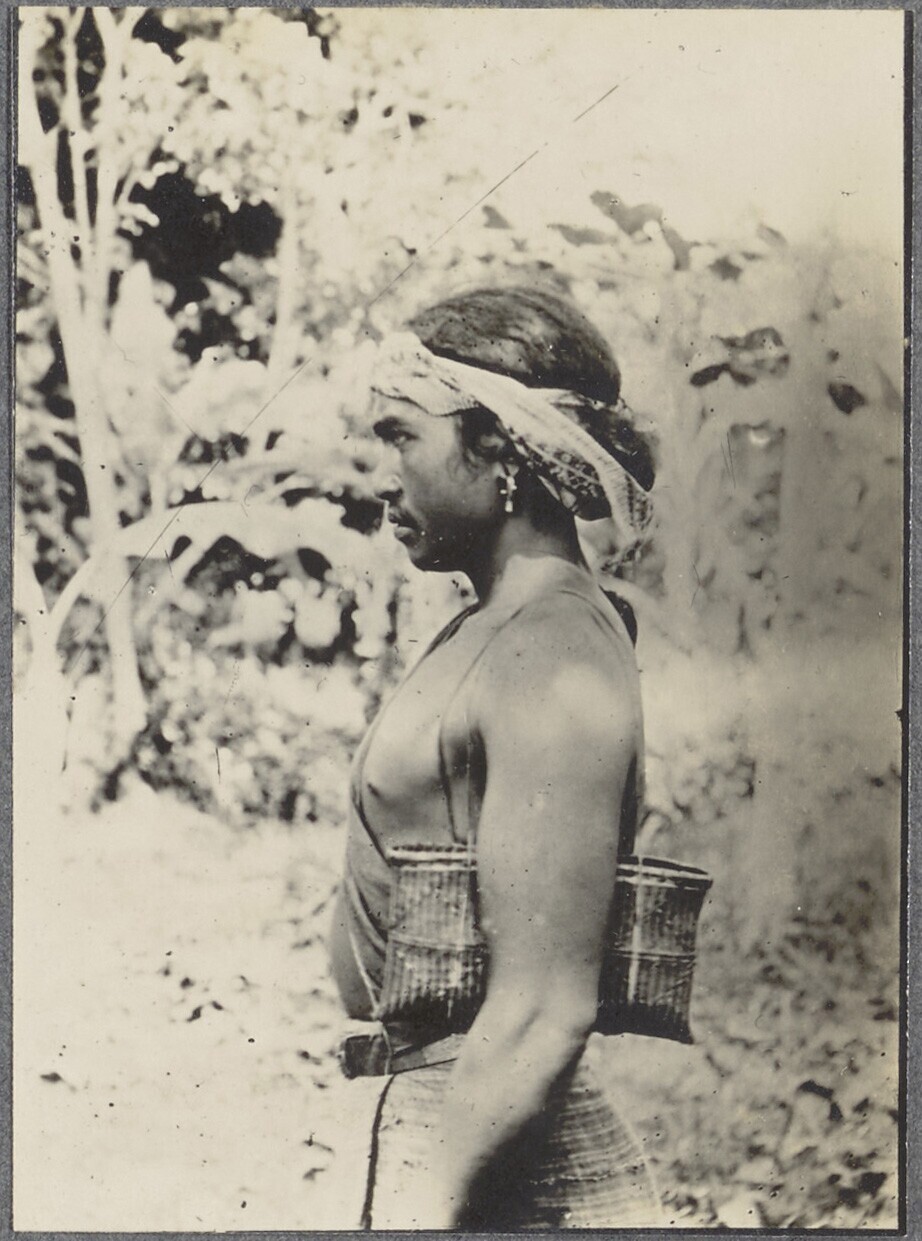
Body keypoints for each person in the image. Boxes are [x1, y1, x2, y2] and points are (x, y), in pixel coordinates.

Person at [328, 285, 662, 1229]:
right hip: (453, 1122)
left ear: (501, 449)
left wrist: (424, 1208)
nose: (381, 475)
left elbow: (543, 1007)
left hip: (497, 1157)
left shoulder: (550, 648)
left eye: (402, 436)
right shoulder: (498, 624)